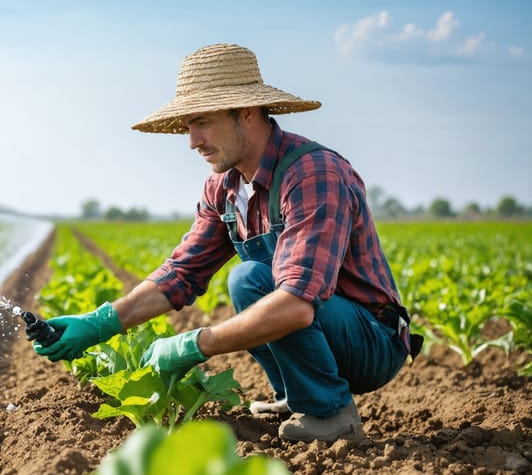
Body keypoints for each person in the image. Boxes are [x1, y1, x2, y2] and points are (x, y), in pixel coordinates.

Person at [33, 43, 419, 442]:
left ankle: (331, 413)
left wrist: (196, 344)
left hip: (371, 339)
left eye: (202, 122)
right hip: (322, 324)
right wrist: (100, 324)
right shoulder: (225, 186)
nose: (192, 140)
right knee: (250, 279)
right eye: (187, 126)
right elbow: (182, 273)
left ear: (248, 112)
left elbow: (297, 306)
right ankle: (296, 396)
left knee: (251, 278)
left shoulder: (312, 174)